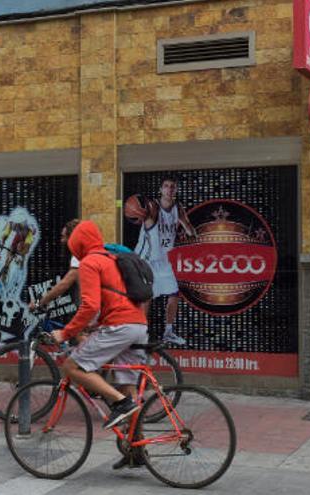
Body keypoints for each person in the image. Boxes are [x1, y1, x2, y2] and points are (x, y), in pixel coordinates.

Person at [51, 220, 148, 467]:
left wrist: (65, 332)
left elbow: (90, 305)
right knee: (127, 385)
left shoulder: (90, 263)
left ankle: (120, 404)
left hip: (121, 327)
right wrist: (93, 326)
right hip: (138, 325)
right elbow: (113, 302)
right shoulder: (112, 259)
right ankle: (136, 451)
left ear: (78, 244)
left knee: (72, 367)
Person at [133, 176, 196, 345]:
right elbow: (142, 215)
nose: (169, 189)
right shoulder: (153, 207)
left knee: (174, 294)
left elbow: (188, 227)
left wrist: (191, 233)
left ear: (175, 191)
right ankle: (142, 334)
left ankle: (168, 332)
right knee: (147, 296)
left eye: (172, 187)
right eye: (166, 186)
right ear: (161, 190)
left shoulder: (178, 209)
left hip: (163, 258)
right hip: (147, 257)